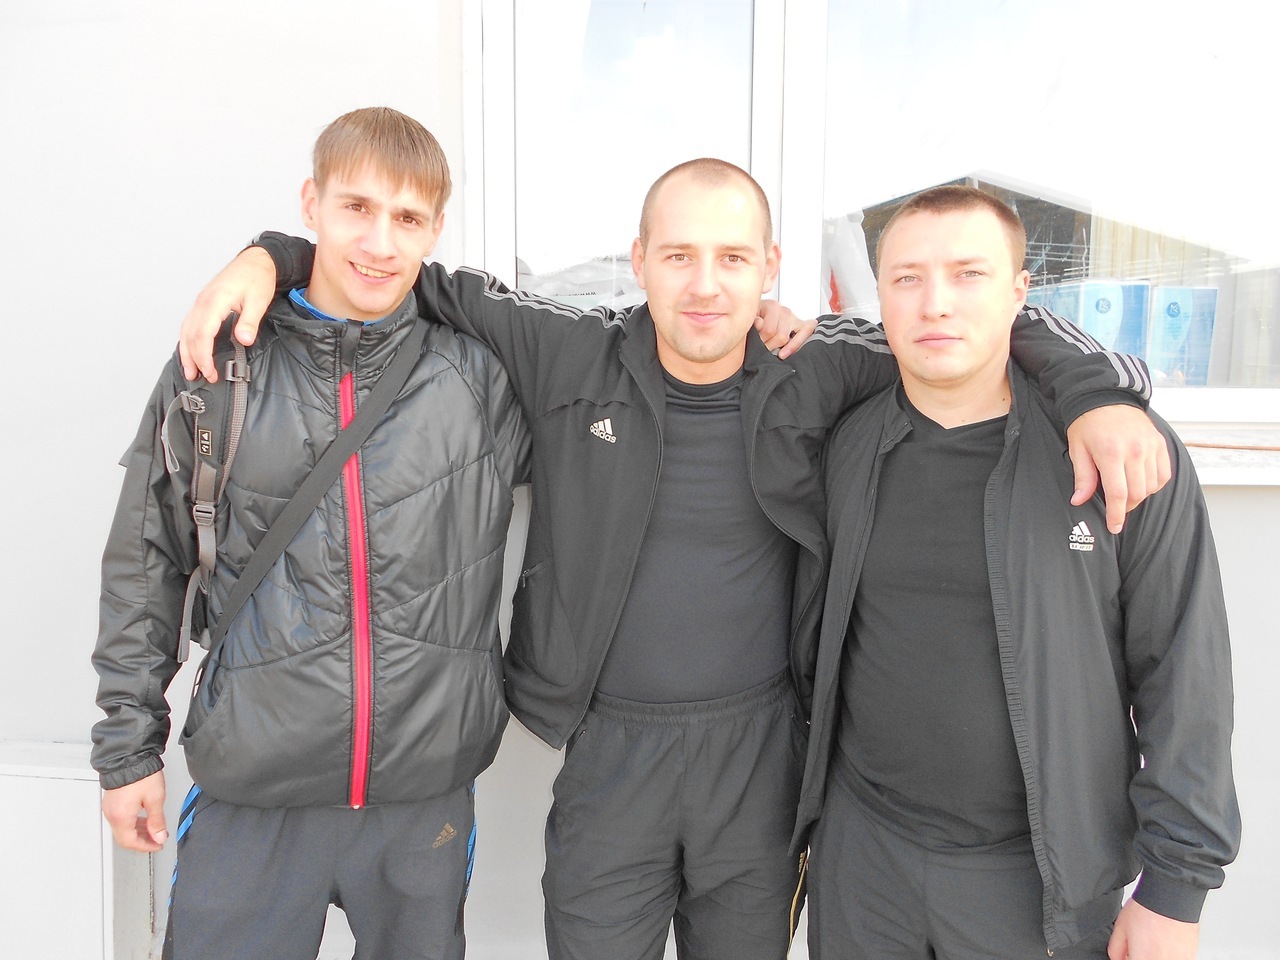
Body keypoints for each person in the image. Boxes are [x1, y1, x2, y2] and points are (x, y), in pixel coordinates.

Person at [176, 159, 1170, 960]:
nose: (705, 285)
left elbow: (978, 329)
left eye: (732, 258)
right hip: (611, 752)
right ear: (639, 261)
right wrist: (272, 256)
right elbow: (406, 274)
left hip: (759, 756)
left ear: (768, 266)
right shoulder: (569, 352)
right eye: (680, 255)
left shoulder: (821, 367)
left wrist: (1100, 394)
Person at [91, 107, 530, 960]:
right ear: (311, 203)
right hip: (255, 789)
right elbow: (146, 560)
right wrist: (126, 750)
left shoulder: (479, 374)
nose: (379, 242)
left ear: (436, 229)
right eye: (356, 207)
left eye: (407, 218)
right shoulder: (222, 365)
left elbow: (622, 374)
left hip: (421, 799)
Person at [798, 186, 1240, 960]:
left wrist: (1175, 889)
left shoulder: (1119, 455)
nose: (936, 303)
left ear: (1019, 292)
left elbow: (1184, 673)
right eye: (907, 278)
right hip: (865, 860)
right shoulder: (844, 443)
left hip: (1038, 882)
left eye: (968, 274)